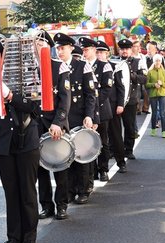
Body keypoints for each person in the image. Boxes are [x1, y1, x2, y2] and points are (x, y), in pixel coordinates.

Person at [0, 43, 40, 243]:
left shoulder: (31, 77)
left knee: (27, 191)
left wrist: (11, 96)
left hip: (26, 140)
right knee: (10, 192)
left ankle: (29, 236)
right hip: (4, 143)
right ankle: (14, 236)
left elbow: (35, 107)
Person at [53, 33, 96, 204]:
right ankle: (69, 191)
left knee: (80, 156)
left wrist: (89, 116)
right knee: (65, 158)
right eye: (57, 48)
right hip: (63, 120)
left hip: (78, 117)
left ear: (71, 48)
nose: (59, 52)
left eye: (62, 48)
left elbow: (91, 94)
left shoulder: (82, 66)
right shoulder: (55, 67)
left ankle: (83, 189)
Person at [35, 30, 72, 220]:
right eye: (35, 44)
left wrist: (58, 122)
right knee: (40, 169)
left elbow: (65, 99)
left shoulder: (60, 67)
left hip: (55, 123)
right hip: (36, 125)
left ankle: (62, 204)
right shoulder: (30, 69)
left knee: (60, 167)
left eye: (41, 44)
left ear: (47, 47)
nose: (37, 47)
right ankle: (46, 206)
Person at [79, 37, 113, 182]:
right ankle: (91, 173)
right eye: (83, 50)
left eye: (86, 50)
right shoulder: (80, 66)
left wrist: (93, 105)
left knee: (102, 141)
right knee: (88, 143)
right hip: (87, 111)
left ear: (94, 50)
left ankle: (103, 169)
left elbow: (106, 90)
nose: (84, 53)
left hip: (101, 109)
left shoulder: (104, 66)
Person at [96, 40, 127, 174]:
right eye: (97, 52)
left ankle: (121, 162)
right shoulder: (92, 66)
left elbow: (120, 87)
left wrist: (120, 104)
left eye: (102, 52)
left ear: (107, 54)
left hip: (113, 105)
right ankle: (102, 166)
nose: (99, 55)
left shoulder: (114, 66)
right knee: (101, 138)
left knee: (115, 135)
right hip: (99, 108)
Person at [118, 39, 147, 159]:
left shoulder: (137, 62)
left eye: (127, 49)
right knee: (114, 128)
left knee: (129, 126)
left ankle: (128, 150)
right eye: (122, 49)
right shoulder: (114, 62)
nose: (124, 51)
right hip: (116, 100)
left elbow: (144, 79)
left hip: (130, 99)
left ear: (131, 50)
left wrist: (132, 75)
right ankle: (115, 149)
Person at [146, 54, 165, 138]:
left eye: (159, 60)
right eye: (156, 60)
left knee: (162, 113)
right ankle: (153, 129)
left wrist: (162, 84)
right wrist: (154, 85)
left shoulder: (164, 71)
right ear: (154, 61)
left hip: (162, 94)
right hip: (153, 94)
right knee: (154, 113)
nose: (158, 62)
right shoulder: (150, 72)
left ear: (161, 61)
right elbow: (146, 84)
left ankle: (164, 131)